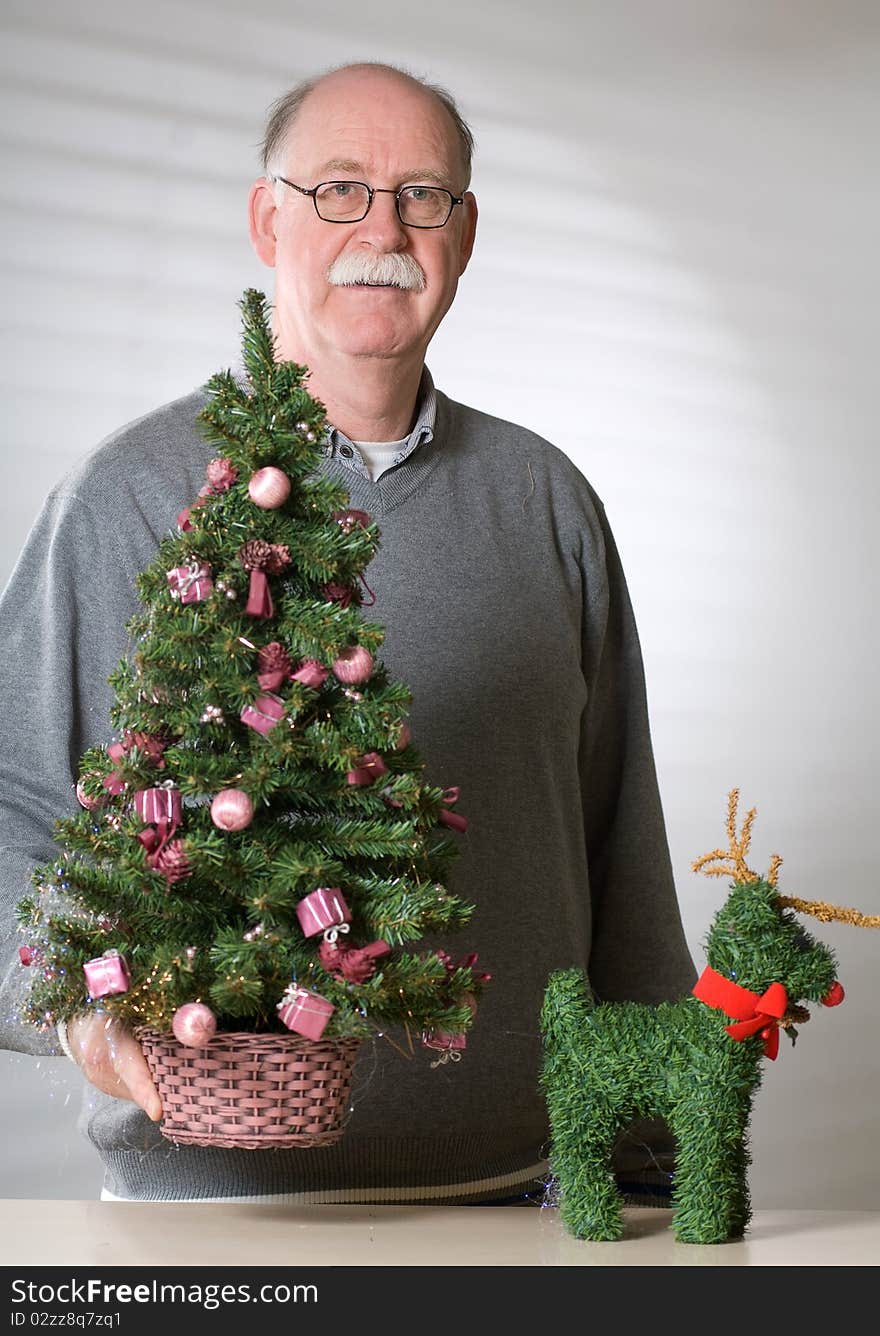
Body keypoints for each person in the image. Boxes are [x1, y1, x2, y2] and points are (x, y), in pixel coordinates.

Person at [0, 61, 696, 1204]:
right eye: (337, 188)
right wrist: (80, 1008)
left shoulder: (545, 501)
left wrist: (651, 1171)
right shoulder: (126, 497)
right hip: (213, 1213)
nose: (382, 226)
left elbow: (619, 847)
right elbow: (12, 805)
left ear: (462, 236)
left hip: (514, 1196)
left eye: (422, 194)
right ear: (266, 218)